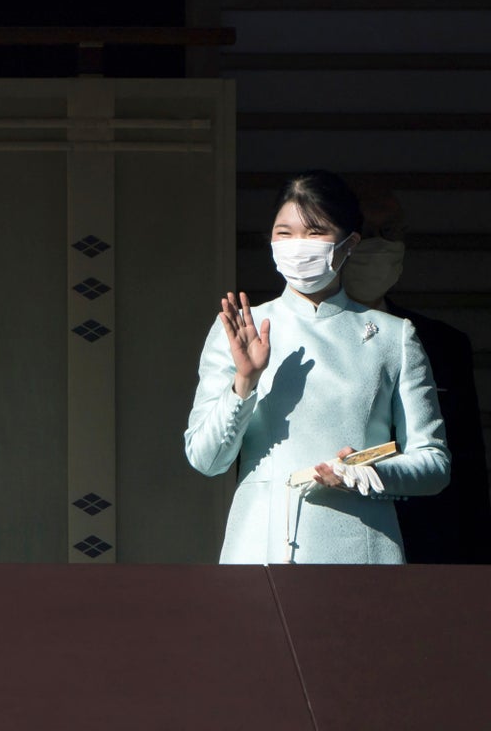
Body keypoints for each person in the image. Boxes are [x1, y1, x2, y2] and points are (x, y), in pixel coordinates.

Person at [184, 170, 450, 564]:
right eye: (284, 233)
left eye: (315, 232)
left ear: (349, 244)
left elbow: (434, 463)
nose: (298, 246)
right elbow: (206, 459)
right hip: (260, 547)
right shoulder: (243, 328)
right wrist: (244, 383)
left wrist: (368, 473)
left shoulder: (394, 337)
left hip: (363, 550)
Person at [343, 189, 491, 563]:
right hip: (342, 535)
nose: (378, 244)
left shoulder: (443, 344)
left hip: (431, 542)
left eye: (389, 231)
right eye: (365, 230)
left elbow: (467, 464)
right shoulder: (292, 340)